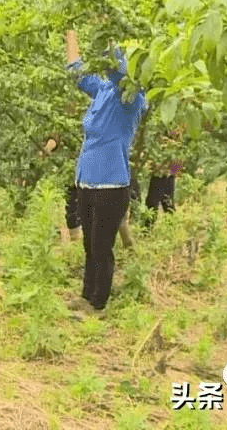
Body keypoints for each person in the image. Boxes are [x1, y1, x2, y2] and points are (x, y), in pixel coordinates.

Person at [64, 30, 147, 317]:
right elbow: (77, 72)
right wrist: (71, 34)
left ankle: (98, 304)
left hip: (112, 184)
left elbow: (117, 72)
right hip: (87, 181)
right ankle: (87, 295)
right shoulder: (101, 92)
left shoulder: (132, 98)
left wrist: (107, 33)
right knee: (89, 242)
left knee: (102, 246)